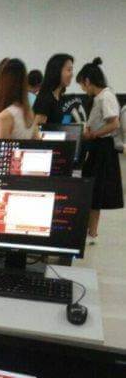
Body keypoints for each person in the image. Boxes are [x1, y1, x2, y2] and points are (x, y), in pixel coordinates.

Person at [76, 57, 123, 243]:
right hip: (97, 146)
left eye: (82, 85)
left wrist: (93, 134)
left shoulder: (105, 96)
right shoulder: (99, 97)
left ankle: (92, 232)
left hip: (102, 148)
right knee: (92, 189)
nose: (83, 89)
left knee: (96, 190)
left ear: (87, 81)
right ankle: (89, 231)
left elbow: (114, 123)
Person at [33, 54, 74, 125]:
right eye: (69, 70)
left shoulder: (62, 98)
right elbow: (38, 127)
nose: (71, 74)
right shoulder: (46, 99)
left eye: (71, 70)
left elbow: (64, 123)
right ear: (57, 71)